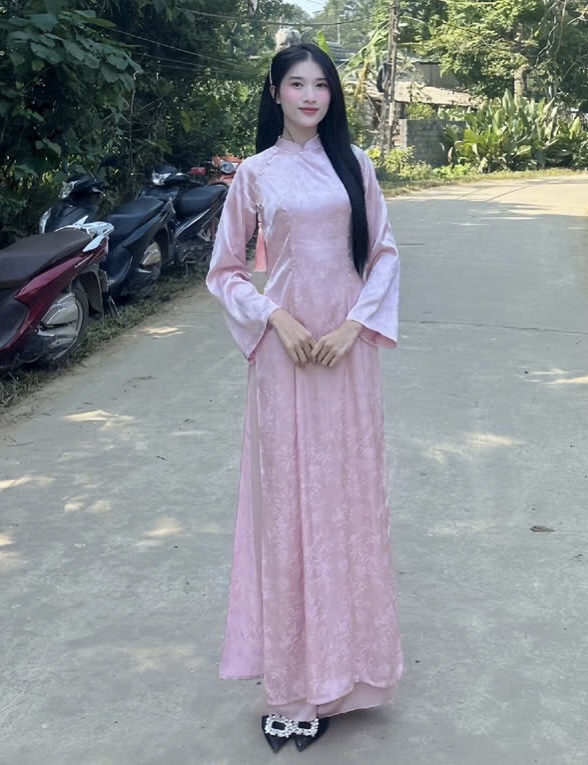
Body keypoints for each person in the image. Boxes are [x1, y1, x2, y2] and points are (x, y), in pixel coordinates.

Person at [206, 42, 403, 754]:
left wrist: (354, 326)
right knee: (286, 508)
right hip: (284, 361)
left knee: (348, 503)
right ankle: (291, 682)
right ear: (275, 92)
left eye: (322, 84)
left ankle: (348, 673)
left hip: (346, 361)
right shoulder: (254, 174)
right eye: (297, 83)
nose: (311, 95)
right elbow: (225, 270)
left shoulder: (357, 166)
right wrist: (273, 317)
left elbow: (383, 254)